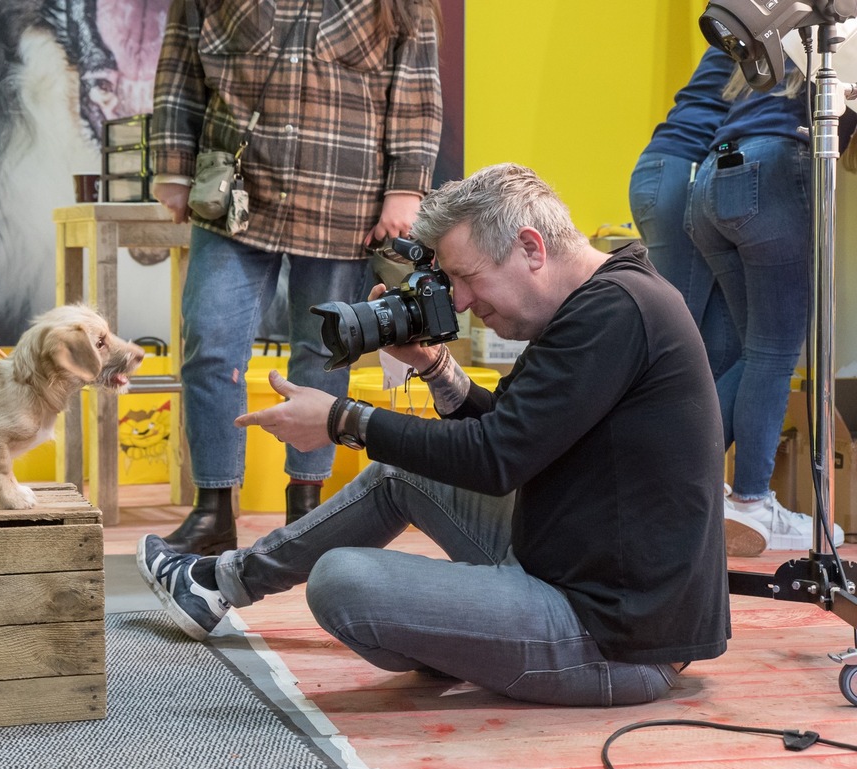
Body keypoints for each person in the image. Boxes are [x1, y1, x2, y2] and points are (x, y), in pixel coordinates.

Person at [138, 163, 731, 707]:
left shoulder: (616, 312)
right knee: (404, 472)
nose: (464, 303)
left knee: (343, 581)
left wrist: (341, 420)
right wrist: (433, 366)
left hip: (614, 639)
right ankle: (218, 585)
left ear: (531, 247)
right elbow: (514, 430)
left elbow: (497, 458)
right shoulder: (604, 299)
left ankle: (463, 642)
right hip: (579, 574)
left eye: (466, 278)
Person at [150, 0, 443, 555]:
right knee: (209, 344)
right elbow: (179, 71)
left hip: (343, 202)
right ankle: (213, 509)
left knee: (325, 351)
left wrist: (406, 187)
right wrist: (172, 165)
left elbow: (416, 94)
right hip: (235, 196)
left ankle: (307, 512)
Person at [688, 59, 846, 557]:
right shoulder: (837, 45)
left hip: (716, 174)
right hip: (772, 171)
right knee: (774, 353)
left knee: (756, 354)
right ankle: (752, 504)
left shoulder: (781, 42)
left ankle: (673, 478)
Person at [629, 47, 739, 379]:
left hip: (666, 168)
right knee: (668, 345)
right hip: (683, 173)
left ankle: (701, 433)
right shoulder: (776, 20)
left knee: (724, 349)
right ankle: (637, 431)